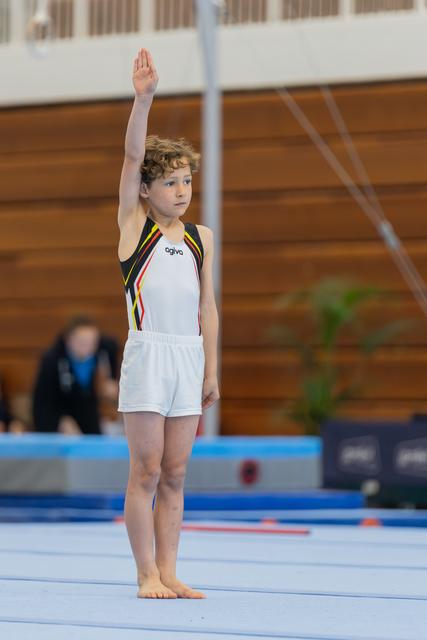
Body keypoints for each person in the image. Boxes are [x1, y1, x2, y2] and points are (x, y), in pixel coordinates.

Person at [117, 48, 220, 600]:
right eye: (171, 182)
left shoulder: (201, 237)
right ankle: (144, 573)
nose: (181, 191)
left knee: (177, 473)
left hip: (188, 354)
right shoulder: (135, 228)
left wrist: (211, 369)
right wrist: (144, 99)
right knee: (147, 470)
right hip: (148, 353)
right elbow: (133, 158)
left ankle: (170, 568)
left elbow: (209, 309)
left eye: (186, 181)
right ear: (146, 191)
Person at [32, 315, 119, 435]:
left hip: (92, 414)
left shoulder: (106, 351)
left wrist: (112, 383)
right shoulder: (51, 361)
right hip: (65, 415)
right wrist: (59, 421)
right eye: (82, 342)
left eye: (93, 342)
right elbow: (42, 403)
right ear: (68, 340)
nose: (88, 347)